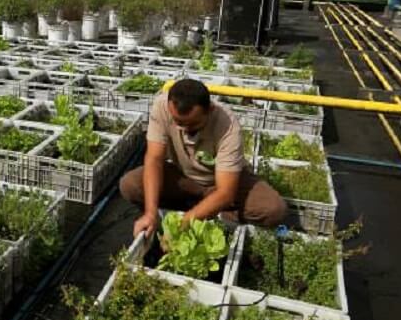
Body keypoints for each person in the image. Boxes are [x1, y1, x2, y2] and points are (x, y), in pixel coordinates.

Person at [119, 78, 287, 239]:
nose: (183, 129)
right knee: (131, 184)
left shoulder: (227, 126)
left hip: (222, 181)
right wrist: (150, 213)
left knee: (273, 209)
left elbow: (225, 192)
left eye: (192, 124)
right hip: (185, 177)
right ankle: (203, 208)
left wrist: (183, 224)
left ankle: (215, 213)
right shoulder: (162, 106)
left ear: (210, 110)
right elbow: (154, 159)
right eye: (177, 122)